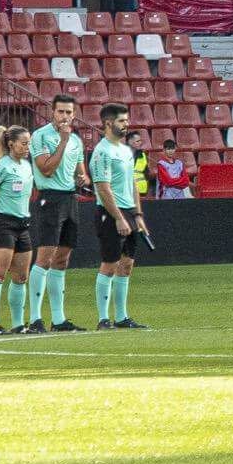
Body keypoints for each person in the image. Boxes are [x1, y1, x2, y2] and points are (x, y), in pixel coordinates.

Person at [23, 94, 89, 332]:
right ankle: (35, 318)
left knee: (62, 259)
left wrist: (82, 177)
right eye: (60, 112)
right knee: (45, 257)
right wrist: (62, 141)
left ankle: (59, 319)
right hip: (49, 198)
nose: (64, 116)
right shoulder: (41, 136)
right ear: (52, 112)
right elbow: (46, 169)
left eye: (68, 112)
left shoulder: (76, 141)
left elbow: (81, 171)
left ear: (74, 114)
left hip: (70, 198)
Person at [88, 102, 146, 328]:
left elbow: (132, 182)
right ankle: (103, 318)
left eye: (126, 120)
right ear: (108, 123)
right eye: (122, 121)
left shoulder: (125, 150)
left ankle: (121, 316)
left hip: (129, 211)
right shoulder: (102, 151)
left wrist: (137, 214)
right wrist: (119, 217)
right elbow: (103, 187)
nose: (126, 124)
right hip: (110, 213)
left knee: (127, 264)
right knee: (110, 263)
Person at [0, 126, 37, 337]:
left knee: (21, 276)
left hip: (23, 225)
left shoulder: (26, 165)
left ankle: (18, 324)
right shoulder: (3, 166)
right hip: (3, 224)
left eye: (29, 143)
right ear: (11, 144)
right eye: (24, 143)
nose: (27, 147)